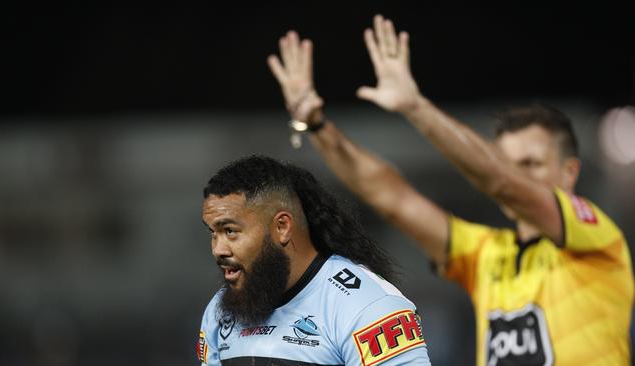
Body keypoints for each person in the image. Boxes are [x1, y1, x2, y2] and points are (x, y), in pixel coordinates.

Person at [268, 15, 633, 366]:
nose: (517, 178)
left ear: (570, 173)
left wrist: (416, 107)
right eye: (507, 162)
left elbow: (498, 180)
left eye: (531, 165)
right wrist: (316, 126)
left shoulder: (596, 238)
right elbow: (391, 197)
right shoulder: (485, 254)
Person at [197, 155, 431, 365]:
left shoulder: (369, 306)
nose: (218, 250)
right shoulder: (219, 311)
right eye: (212, 233)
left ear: (282, 227)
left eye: (230, 231)